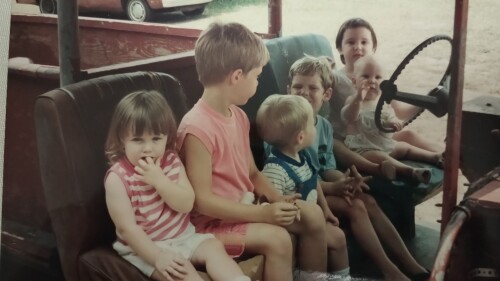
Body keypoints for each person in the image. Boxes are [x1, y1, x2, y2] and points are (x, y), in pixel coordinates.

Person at [177, 22, 329, 281]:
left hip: (245, 206)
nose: (257, 83)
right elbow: (202, 201)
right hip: (209, 227)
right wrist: (262, 214)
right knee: (279, 239)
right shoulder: (196, 129)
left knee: (312, 214)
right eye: (256, 76)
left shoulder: (238, 116)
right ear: (237, 76)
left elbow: (252, 172)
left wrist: (277, 200)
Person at [272, 55, 430, 281]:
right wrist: (333, 187)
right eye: (297, 86)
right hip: (300, 196)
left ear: (326, 95)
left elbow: (327, 167)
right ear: (288, 90)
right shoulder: (283, 126)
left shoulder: (323, 126)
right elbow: (290, 177)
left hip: (321, 188)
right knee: (355, 206)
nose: (304, 93)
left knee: (367, 199)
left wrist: (345, 180)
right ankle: (389, 270)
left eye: (312, 88)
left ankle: (408, 262)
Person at [104, 90, 251, 281]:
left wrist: (160, 181)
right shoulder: (118, 178)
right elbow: (127, 229)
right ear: (122, 140)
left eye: (156, 139)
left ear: (167, 137)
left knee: (214, 248)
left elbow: (186, 203)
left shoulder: (171, 160)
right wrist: (158, 257)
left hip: (184, 236)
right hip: (148, 247)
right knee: (180, 273)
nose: (148, 148)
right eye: (138, 140)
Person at [329, 17, 444, 178]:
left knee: (408, 135)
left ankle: (447, 156)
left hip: (375, 133)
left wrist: (424, 101)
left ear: (373, 47)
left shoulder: (379, 79)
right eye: (350, 42)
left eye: (364, 42)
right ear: (340, 48)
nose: (358, 47)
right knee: (349, 147)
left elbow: (401, 113)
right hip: (352, 139)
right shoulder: (335, 77)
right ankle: (406, 171)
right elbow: (318, 78)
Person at [257, 94, 351, 279]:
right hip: (294, 226)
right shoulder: (275, 170)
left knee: (338, 237)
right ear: (301, 137)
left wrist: (326, 211)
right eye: (311, 125)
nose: (314, 129)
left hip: (311, 220)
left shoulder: (303, 156)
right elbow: (269, 208)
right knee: (331, 239)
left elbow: (314, 182)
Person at [342, 55, 443, 184]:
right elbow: (348, 117)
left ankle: (435, 156)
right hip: (364, 149)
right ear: (354, 81)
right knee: (380, 157)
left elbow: (393, 118)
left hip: (385, 144)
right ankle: (410, 171)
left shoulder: (384, 101)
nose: (372, 81)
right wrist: (358, 99)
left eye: (378, 77)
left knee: (405, 147)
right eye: (366, 76)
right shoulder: (353, 101)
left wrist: (395, 123)